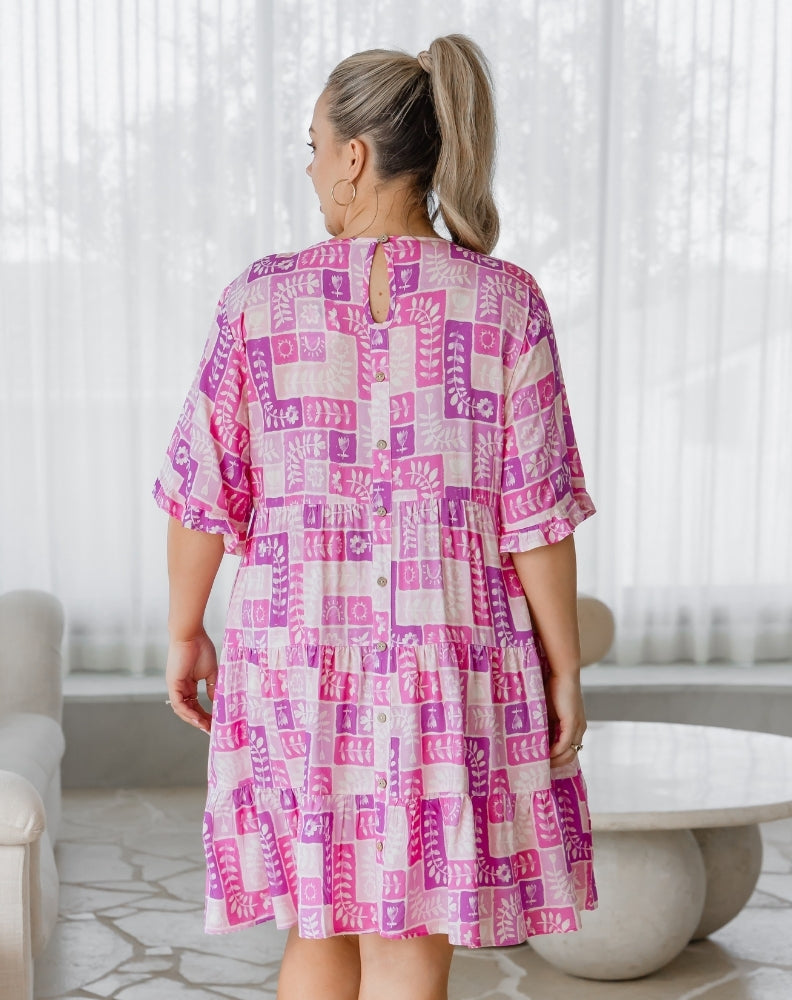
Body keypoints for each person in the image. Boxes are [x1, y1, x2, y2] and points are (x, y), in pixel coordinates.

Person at [154, 33, 597, 1000]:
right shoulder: (506, 302)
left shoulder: (257, 302)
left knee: (319, 928)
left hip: (293, 656)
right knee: (407, 943)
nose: (311, 167)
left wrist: (187, 631)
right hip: (445, 660)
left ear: (355, 155)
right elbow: (538, 518)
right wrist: (562, 666)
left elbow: (203, 491)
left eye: (313, 144)